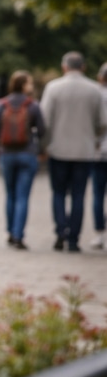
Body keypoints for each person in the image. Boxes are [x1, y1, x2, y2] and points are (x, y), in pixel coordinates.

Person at [40, 51, 107, 252]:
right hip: (84, 151)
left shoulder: (53, 88)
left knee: (59, 193)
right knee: (79, 195)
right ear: (84, 67)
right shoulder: (94, 90)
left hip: (58, 149)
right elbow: (103, 122)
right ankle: (74, 239)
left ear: (64, 66)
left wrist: (45, 145)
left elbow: (45, 121)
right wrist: (93, 137)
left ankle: (61, 231)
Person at [0, 70, 46, 250]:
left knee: (10, 195)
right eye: (29, 82)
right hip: (27, 154)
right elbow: (42, 130)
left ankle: (10, 232)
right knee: (22, 197)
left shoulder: (1, 104)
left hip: (6, 154)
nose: (31, 85)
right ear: (23, 84)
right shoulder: (32, 105)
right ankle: (18, 235)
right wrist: (39, 148)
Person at [89, 62, 107, 250]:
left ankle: (99, 233)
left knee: (98, 193)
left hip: (98, 150)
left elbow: (99, 123)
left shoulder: (95, 92)